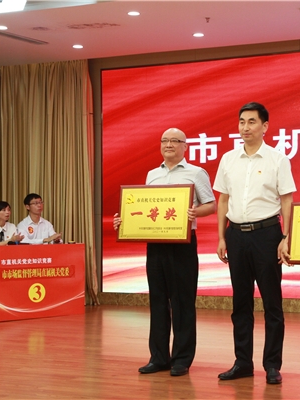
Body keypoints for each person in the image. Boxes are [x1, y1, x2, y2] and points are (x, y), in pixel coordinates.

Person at [113, 127, 216, 377]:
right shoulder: (152, 174)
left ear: (185, 146)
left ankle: (181, 359)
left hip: (182, 244)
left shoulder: (196, 173)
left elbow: (211, 205)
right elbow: (146, 209)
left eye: (175, 141)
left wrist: (193, 212)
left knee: (182, 302)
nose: (169, 144)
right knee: (158, 300)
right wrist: (125, 220)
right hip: (156, 244)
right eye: (164, 140)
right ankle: (158, 357)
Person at [213, 102, 296, 385]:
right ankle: (242, 362)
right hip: (236, 235)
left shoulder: (277, 159)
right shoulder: (228, 159)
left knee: (272, 302)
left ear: (265, 126)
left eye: (251, 122)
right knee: (241, 302)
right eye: (241, 122)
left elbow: (287, 200)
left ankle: (272, 364)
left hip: (267, 235)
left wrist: (286, 237)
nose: (245, 127)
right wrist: (222, 236)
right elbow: (223, 200)